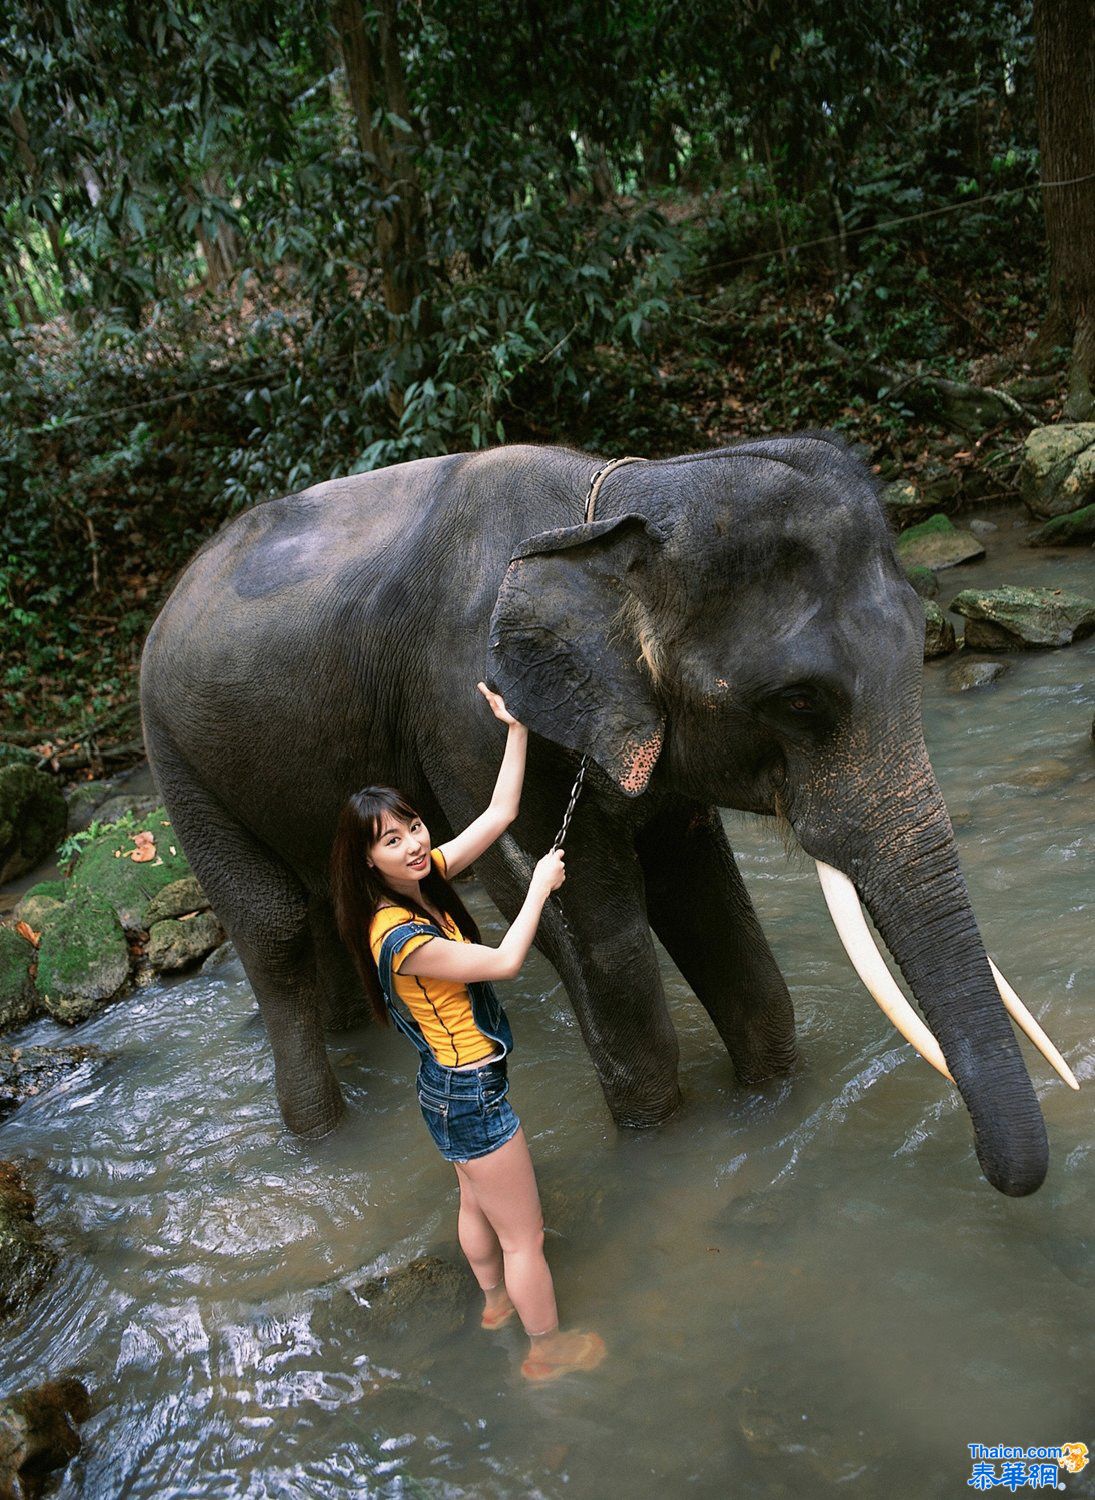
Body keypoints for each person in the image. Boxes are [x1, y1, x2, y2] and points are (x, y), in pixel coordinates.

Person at [330, 683, 606, 1384]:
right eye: (391, 841)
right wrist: (540, 885)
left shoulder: (419, 881)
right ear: (368, 859)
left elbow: (500, 813)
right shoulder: (399, 935)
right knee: (527, 1238)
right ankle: (546, 1351)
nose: (413, 844)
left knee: (470, 1196)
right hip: (471, 1092)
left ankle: (492, 1308)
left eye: (412, 827)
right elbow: (507, 963)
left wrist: (515, 728)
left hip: (442, 1087)